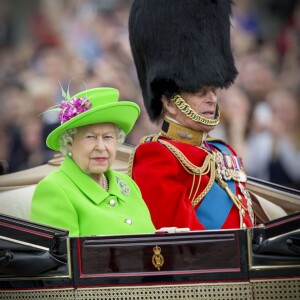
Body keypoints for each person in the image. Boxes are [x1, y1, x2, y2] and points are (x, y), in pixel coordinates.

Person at [127, 0, 256, 230]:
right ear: (169, 102)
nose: (212, 99)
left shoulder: (223, 151)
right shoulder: (156, 156)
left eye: (214, 90)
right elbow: (183, 242)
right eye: (199, 91)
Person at [30, 87, 155, 236]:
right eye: (90, 137)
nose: (101, 147)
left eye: (108, 137)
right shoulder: (53, 189)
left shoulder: (127, 184)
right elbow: (64, 257)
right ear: (69, 142)